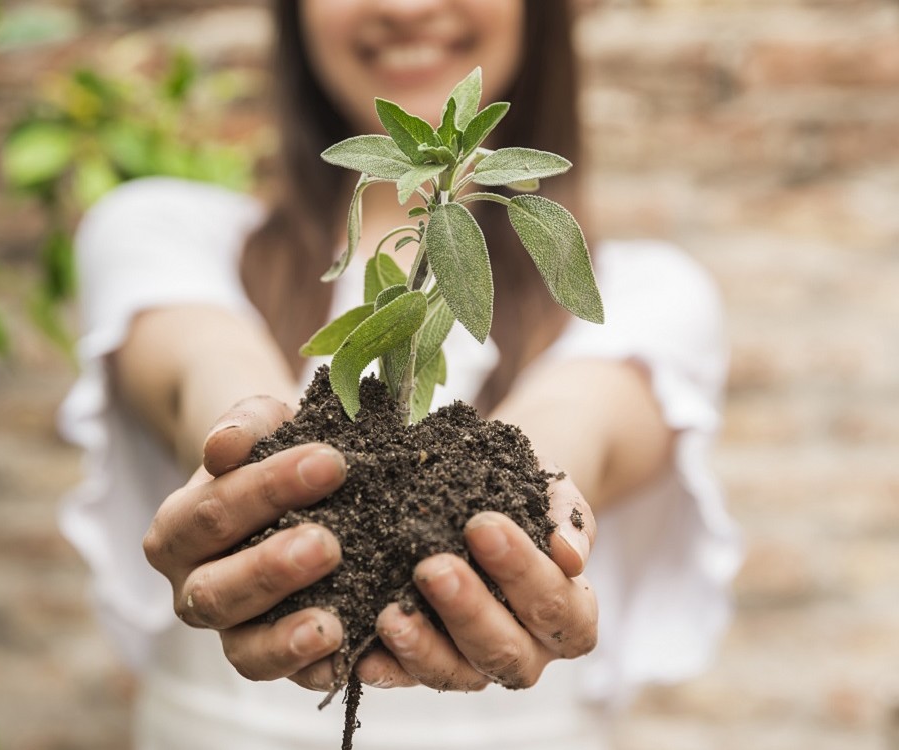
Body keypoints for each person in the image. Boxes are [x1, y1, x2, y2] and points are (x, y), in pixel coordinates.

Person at [57, 1, 742, 748]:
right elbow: (204, 369)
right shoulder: (163, 231)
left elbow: (579, 419)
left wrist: (525, 502)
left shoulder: (649, 291)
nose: (407, 6)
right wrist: (261, 464)